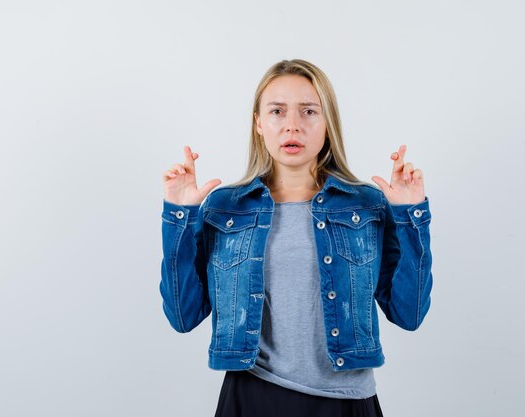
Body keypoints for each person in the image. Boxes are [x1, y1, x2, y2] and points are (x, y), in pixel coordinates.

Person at [160, 59, 433, 417]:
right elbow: (183, 316)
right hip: (251, 396)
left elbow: (409, 313)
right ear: (258, 123)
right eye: (277, 111)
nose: (292, 125)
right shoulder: (225, 208)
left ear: (327, 124)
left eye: (309, 111)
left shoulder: (368, 205)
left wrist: (410, 216)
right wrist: (179, 217)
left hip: (347, 401)